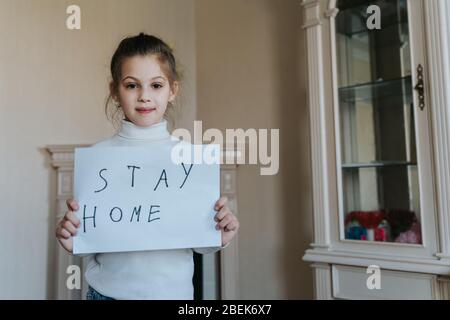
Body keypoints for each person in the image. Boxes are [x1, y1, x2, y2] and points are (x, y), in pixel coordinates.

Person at [55, 33, 239, 300]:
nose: (144, 96)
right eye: (132, 85)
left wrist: (219, 234)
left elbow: (199, 242)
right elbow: (89, 242)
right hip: (107, 295)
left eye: (156, 85)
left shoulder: (189, 160)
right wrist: (72, 239)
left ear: (172, 90)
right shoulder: (98, 159)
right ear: (115, 91)